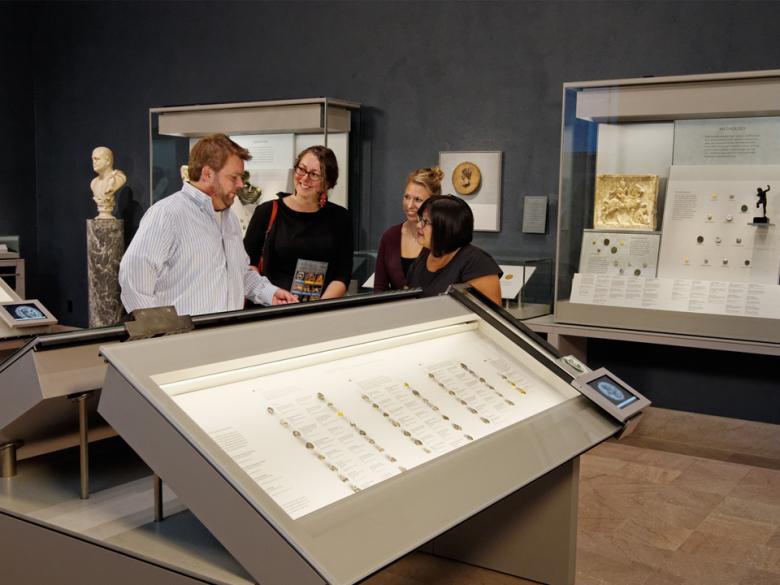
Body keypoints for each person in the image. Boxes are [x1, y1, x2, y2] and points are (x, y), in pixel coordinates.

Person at [119, 134, 297, 316]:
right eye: (234, 177)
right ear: (207, 174)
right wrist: (158, 332)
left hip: (225, 338)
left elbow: (240, 274)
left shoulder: (230, 219)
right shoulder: (167, 214)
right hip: (182, 341)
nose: (240, 184)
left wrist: (270, 293)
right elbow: (134, 277)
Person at [244, 145, 353, 301]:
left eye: (314, 174)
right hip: (270, 308)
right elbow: (248, 264)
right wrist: (269, 295)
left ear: (327, 183)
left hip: (320, 313)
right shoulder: (267, 211)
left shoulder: (340, 217)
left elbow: (342, 274)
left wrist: (320, 308)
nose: (304, 178)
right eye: (301, 169)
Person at [407, 195, 502, 305]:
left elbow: (491, 316)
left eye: (426, 221)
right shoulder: (424, 256)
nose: (418, 225)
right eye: (420, 219)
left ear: (448, 226)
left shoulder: (477, 262)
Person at [374, 167, 443, 292]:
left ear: (434, 202)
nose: (409, 205)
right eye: (407, 197)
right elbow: (379, 287)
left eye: (418, 200)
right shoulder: (390, 236)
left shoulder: (441, 239)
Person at [90, 146, 127, 220]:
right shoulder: (93, 183)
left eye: (97, 159)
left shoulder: (118, 178)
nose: (94, 162)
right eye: (93, 159)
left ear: (108, 161)